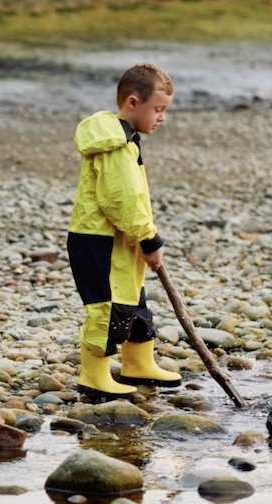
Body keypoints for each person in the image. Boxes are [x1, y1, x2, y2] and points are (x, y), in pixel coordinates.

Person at [67, 63, 183, 399]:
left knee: (132, 297)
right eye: (157, 109)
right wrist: (149, 238)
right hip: (98, 240)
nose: (161, 118)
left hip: (120, 237)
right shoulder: (115, 146)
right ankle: (93, 374)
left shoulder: (126, 140)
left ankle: (137, 362)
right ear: (133, 103)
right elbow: (121, 200)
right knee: (107, 306)